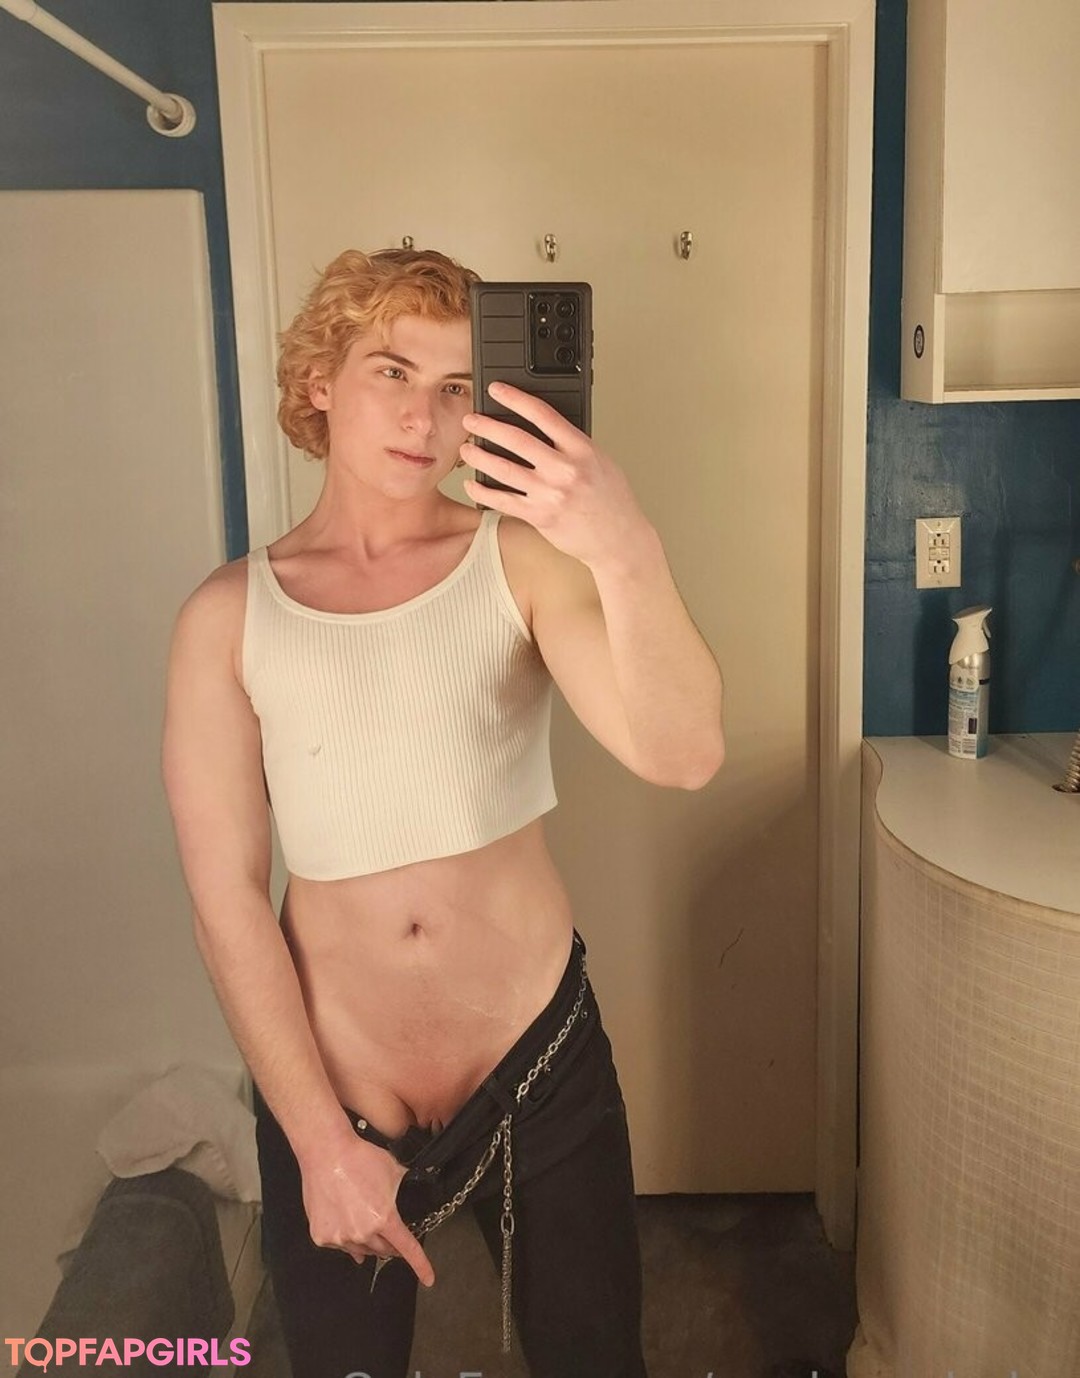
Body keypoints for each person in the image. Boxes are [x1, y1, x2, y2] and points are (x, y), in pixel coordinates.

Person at [161, 247, 725, 1378]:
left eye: (459, 385)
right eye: (392, 372)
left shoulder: (519, 561)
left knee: (596, 1361)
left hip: (536, 1062)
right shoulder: (229, 614)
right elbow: (226, 901)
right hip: (336, 1089)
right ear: (319, 382)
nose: (427, 416)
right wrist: (319, 1143)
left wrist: (625, 545)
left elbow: (684, 754)